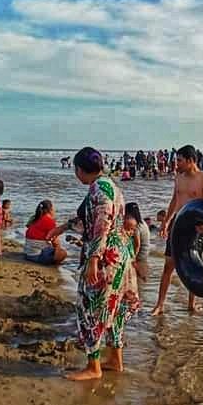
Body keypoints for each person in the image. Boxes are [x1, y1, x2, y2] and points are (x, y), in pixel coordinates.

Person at [66, 147, 140, 381]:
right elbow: (90, 221)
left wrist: (94, 260)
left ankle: (93, 367)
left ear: (79, 169)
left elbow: (102, 224)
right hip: (121, 255)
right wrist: (61, 228)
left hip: (107, 258)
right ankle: (115, 360)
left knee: (91, 308)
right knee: (114, 309)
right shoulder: (109, 185)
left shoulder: (100, 189)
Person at [152, 145, 203, 316]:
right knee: (168, 266)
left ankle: (191, 304)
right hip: (178, 225)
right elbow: (175, 200)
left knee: (193, 268)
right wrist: (166, 221)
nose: (176, 164)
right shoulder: (178, 177)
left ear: (190, 160)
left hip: (195, 227)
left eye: (179, 160)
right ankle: (160, 304)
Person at [24, 200, 68, 265]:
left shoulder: (34, 218)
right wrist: (58, 251)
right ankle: (54, 263)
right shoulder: (49, 221)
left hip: (28, 254)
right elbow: (55, 242)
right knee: (63, 253)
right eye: (53, 209)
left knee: (49, 247)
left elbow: (30, 229)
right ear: (50, 210)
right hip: (37, 256)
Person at [126, 202, 150, 282]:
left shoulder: (136, 225)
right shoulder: (142, 222)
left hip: (140, 254)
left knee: (138, 277)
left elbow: (137, 244)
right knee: (142, 277)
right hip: (145, 252)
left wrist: (133, 258)